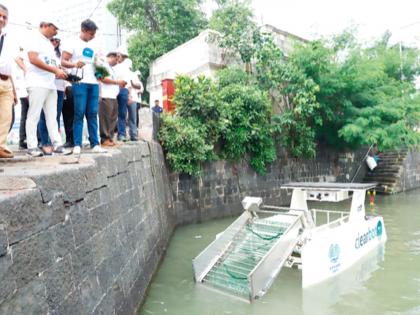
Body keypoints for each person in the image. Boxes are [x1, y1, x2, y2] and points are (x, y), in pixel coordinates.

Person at [25, 17, 69, 157]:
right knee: (34, 115)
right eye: (54, 28)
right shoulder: (34, 37)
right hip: (37, 82)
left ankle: (57, 143)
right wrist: (55, 70)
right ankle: (32, 146)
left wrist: (58, 69)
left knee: (52, 116)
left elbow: (49, 62)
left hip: (50, 83)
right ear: (45, 25)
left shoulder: (49, 44)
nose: (56, 32)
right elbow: (33, 58)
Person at [61, 19, 106, 155]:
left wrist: (101, 76)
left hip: (94, 83)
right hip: (79, 82)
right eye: (91, 34)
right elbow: (63, 61)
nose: (93, 36)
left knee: (93, 113)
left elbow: (98, 62)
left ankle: (95, 143)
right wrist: (75, 64)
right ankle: (77, 144)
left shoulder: (96, 44)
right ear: (84, 30)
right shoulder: (72, 42)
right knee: (79, 113)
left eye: (94, 34)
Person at [37, 37, 66, 154]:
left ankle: (56, 143)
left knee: (55, 117)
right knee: (44, 117)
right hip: (45, 86)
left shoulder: (58, 55)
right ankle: (45, 142)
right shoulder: (42, 51)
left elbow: (60, 70)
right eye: (52, 40)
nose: (54, 42)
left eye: (57, 41)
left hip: (58, 88)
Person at [0, 4, 17, 158]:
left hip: (6, 82)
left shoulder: (7, 37)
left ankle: (0, 146)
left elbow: (9, 65)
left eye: (4, 17)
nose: (1, 19)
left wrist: (14, 90)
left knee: (6, 116)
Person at [99, 52, 124, 146]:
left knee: (113, 118)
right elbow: (103, 79)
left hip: (113, 96)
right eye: (116, 59)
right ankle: (104, 138)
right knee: (105, 118)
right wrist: (117, 82)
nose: (117, 62)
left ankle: (110, 138)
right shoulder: (103, 65)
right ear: (111, 57)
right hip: (106, 95)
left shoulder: (112, 69)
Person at [114, 49, 131, 141]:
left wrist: (129, 95)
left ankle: (121, 134)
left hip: (123, 90)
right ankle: (109, 134)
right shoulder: (112, 65)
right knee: (112, 113)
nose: (120, 57)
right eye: (119, 55)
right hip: (113, 89)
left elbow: (128, 83)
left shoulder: (126, 66)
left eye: (122, 56)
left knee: (122, 113)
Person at [15, 47, 29, 149]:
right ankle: (22, 140)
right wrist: (25, 69)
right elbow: (17, 58)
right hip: (25, 91)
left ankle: (25, 139)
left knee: (29, 116)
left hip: (29, 89)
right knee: (25, 116)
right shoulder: (23, 55)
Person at [127, 68, 142, 141]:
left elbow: (139, 88)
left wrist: (132, 83)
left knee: (134, 117)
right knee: (126, 116)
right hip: (127, 98)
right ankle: (128, 133)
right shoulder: (125, 75)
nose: (138, 76)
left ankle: (134, 133)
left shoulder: (138, 81)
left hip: (136, 100)